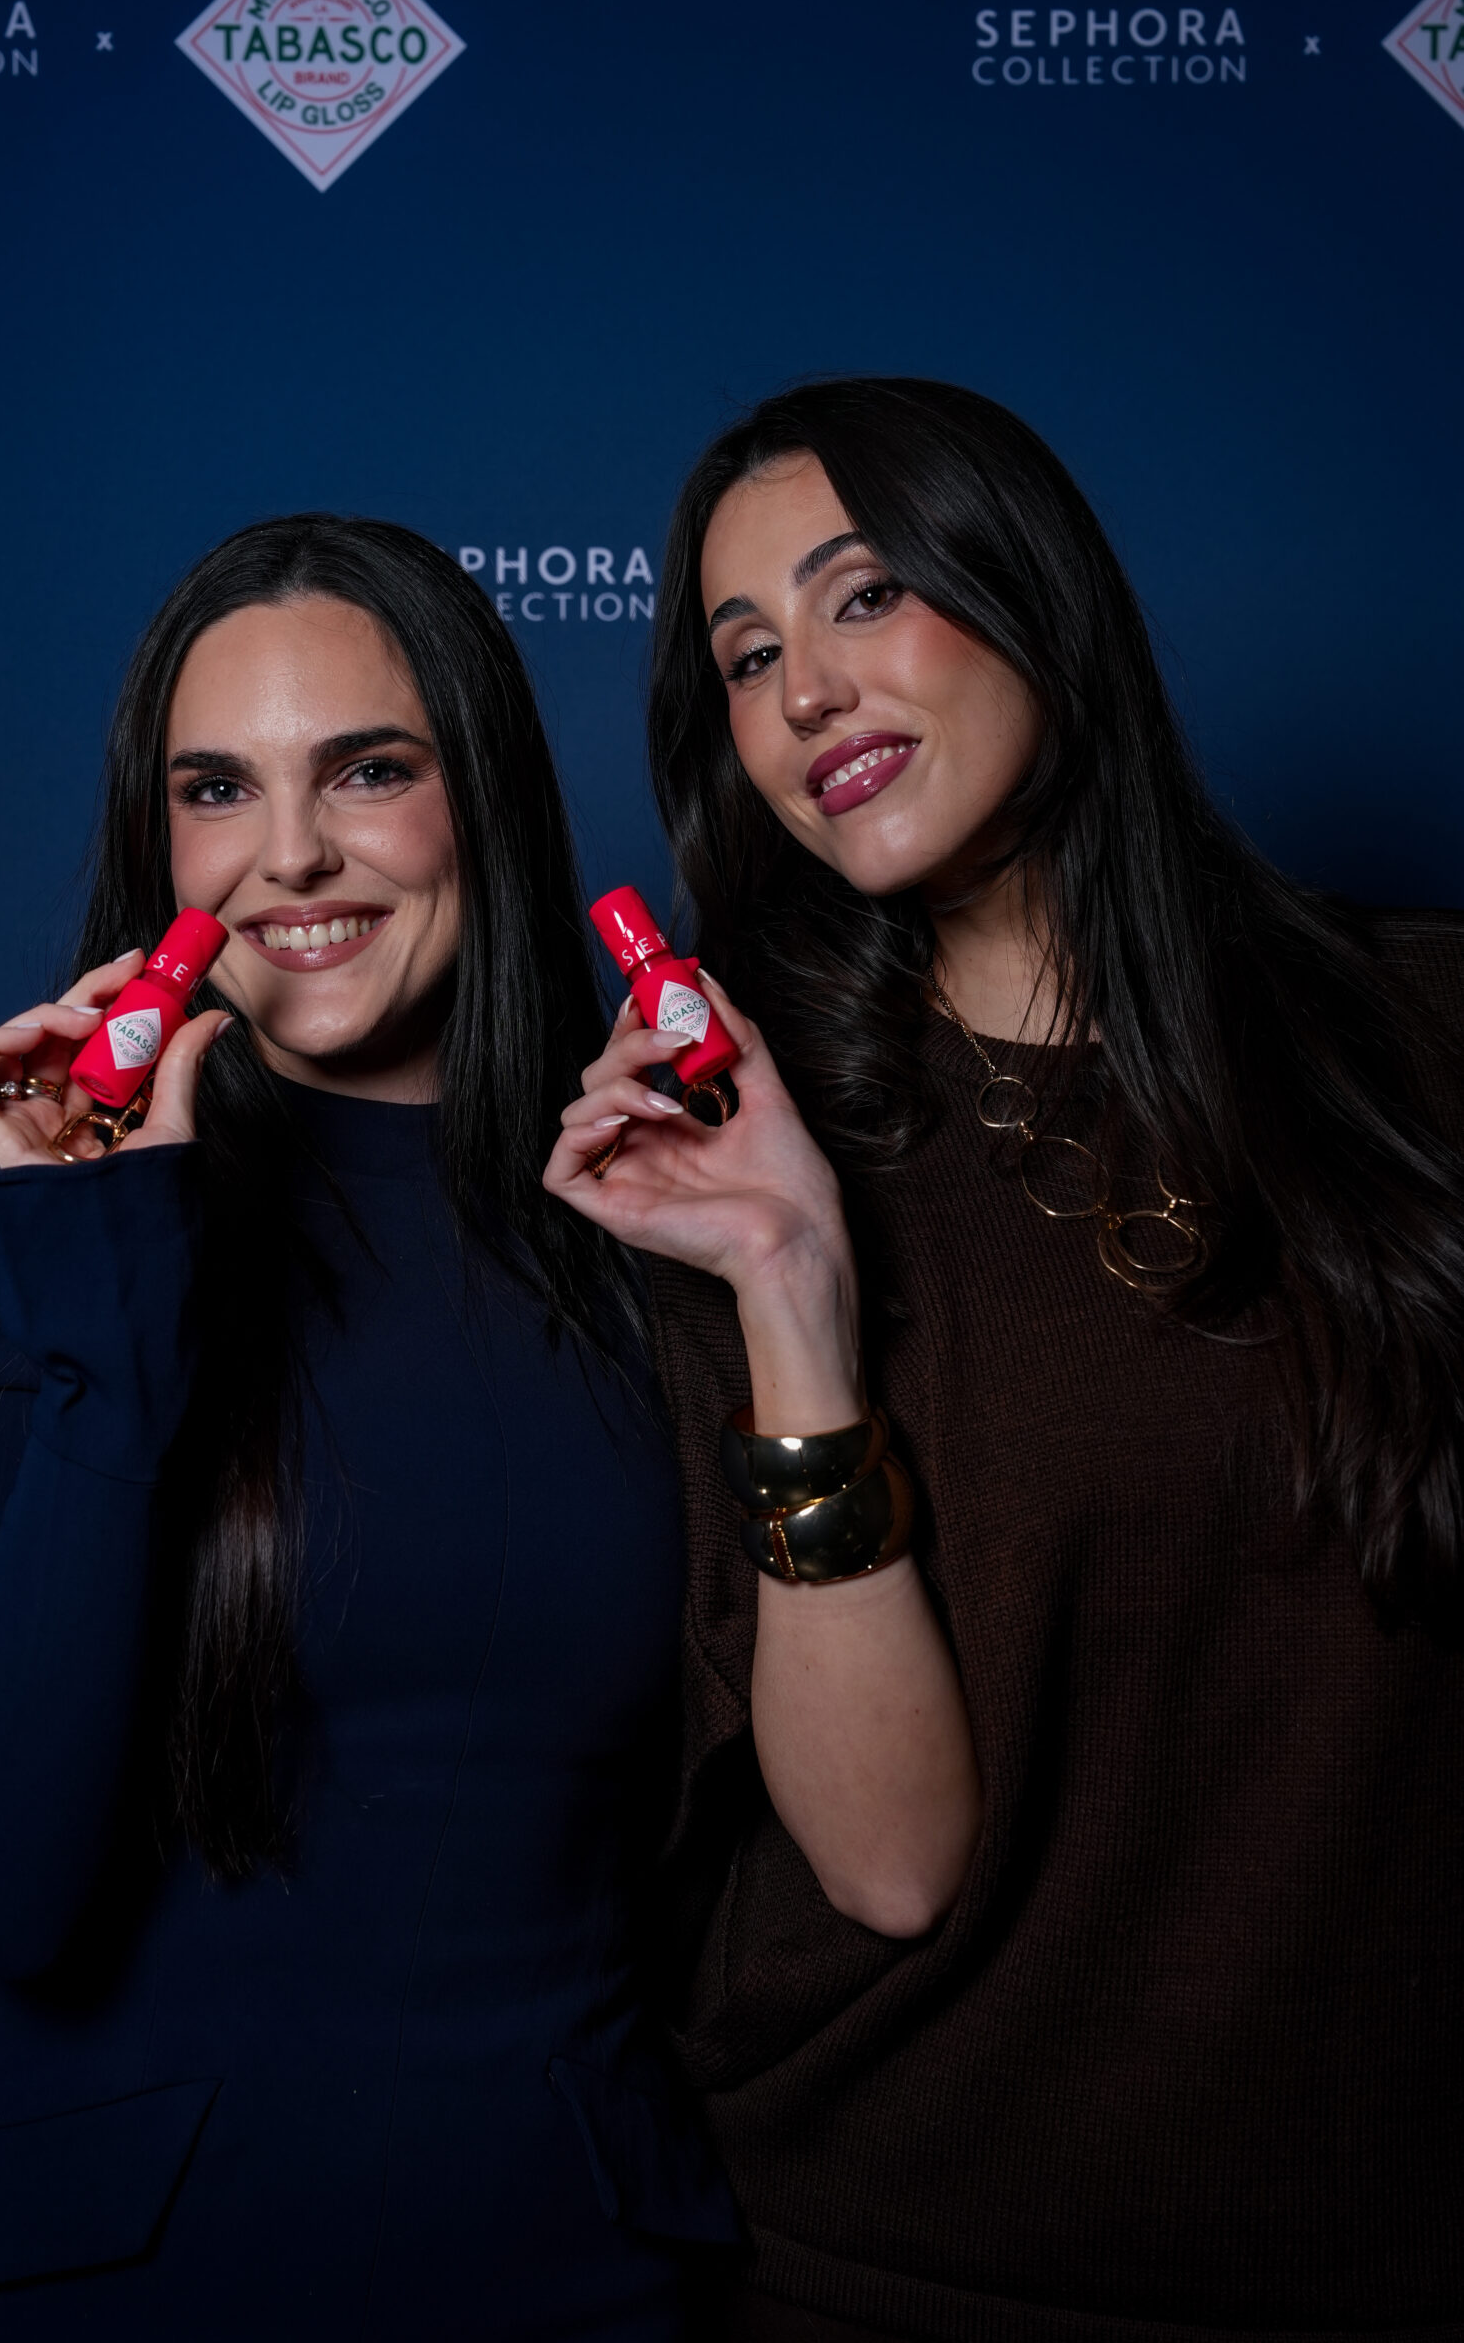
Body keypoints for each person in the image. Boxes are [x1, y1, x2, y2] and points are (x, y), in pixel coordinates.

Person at [545, 379, 1464, 2342]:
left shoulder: (1425, 1034)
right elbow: (887, 1868)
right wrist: (790, 1281)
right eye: (746, 656)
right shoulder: (737, 1156)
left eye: (863, 593)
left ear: (1031, 590)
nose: (805, 691)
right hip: (910, 2257)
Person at [0, 515, 736, 2342]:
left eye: (370, 771)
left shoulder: (660, 1198)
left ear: (481, 796)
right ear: (157, 841)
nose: (292, 854)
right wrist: (107, 1298)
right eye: (217, 790)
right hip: (95, 2280)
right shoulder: (30, 1217)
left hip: (562, 2265)